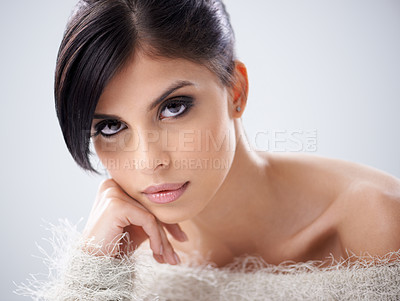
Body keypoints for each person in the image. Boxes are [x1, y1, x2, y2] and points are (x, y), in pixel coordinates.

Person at [17, 0, 400, 299]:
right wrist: (93, 278)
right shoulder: (116, 256)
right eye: (111, 126)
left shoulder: (377, 223)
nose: (150, 162)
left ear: (236, 90)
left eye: (173, 107)